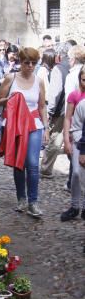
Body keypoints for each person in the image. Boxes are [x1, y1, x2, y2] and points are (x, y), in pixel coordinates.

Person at [0, 47, 49, 217]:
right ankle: (21, 199)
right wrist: (10, 99)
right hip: (15, 125)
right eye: (27, 63)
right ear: (21, 62)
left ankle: (33, 202)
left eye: (34, 63)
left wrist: (46, 128)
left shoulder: (39, 81)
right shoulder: (10, 78)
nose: (31, 66)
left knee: (33, 164)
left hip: (34, 124)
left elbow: (42, 106)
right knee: (19, 163)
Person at [40, 42, 73, 178]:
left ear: (59, 55)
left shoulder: (58, 69)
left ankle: (46, 169)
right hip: (71, 109)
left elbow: (55, 93)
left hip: (61, 111)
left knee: (55, 139)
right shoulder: (74, 67)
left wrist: (50, 112)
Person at [60, 65, 85, 221]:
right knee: (76, 173)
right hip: (77, 139)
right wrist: (66, 140)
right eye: (83, 79)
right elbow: (68, 118)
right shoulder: (75, 96)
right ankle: (75, 206)